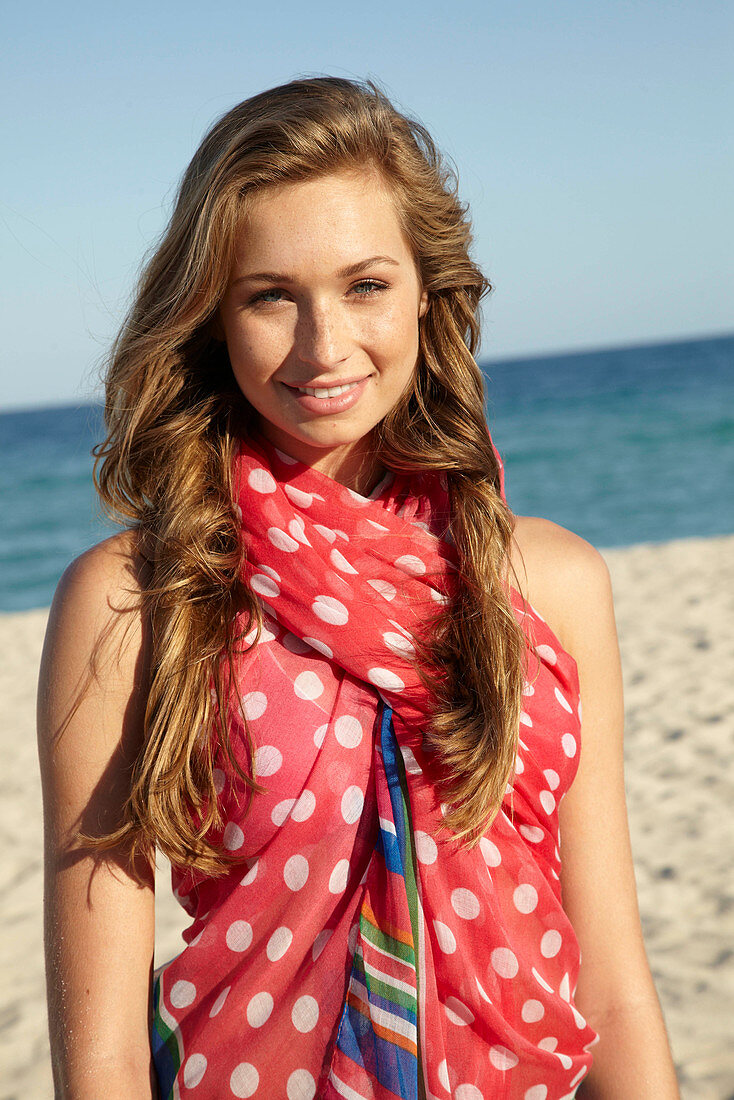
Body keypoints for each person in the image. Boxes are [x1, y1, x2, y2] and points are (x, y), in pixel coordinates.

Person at [37, 76, 680, 1099]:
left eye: (364, 285)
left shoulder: (549, 583)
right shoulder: (135, 601)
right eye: (268, 295)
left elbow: (608, 984)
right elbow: (102, 1048)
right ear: (210, 317)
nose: (322, 345)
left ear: (428, 290)